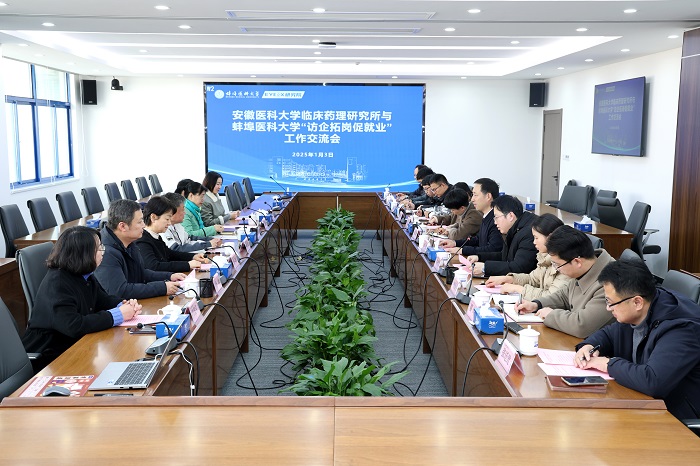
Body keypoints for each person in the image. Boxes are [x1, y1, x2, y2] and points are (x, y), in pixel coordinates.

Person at [574, 260, 700, 423]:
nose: (608, 308)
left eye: (610, 303)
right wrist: (589, 346)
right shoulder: (642, 307)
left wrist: (607, 364)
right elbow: (610, 333)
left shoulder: (682, 329)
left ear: (637, 302)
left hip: (676, 418)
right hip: (644, 403)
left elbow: (653, 381)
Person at [22, 226, 142, 371]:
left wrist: (123, 305)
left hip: (76, 345)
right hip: (50, 356)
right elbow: (74, 325)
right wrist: (118, 315)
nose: (103, 252)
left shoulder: (84, 274)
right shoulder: (58, 283)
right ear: (83, 254)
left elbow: (102, 300)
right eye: (99, 248)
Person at [515, 225, 615, 338]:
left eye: (557, 265)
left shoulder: (610, 283)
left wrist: (551, 315)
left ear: (577, 262)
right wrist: (536, 304)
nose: (557, 269)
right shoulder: (586, 268)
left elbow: (582, 325)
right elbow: (563, 296)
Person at [95, 199, 186, 299]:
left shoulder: (129, 241)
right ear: (123, 226)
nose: (143, 225)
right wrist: (162, 288)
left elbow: (140, 273)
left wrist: (169, 276)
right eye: (139, 222)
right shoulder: (104, 252)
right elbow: (120, 291)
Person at [485, 213, 572, 300]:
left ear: (550, 237)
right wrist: (509, 279)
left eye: (536, 238)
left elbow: (551, 298)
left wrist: (518, 289)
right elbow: (532, 279)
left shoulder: (565, 264)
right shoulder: (544, 258)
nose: (534, 242)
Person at [464, 195, 537, 276]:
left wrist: (485, 268)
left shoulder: (528, 233)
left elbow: (519, 267)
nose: (495, 222)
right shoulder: (515, 228)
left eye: (496, 217)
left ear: (510, 216)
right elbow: (504, 256)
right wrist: (479, 257)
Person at [136, 196, 209, 273]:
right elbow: (154, 266)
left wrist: (193, 256)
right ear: (153, 217)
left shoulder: (156, 236)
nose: (169, 223)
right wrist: (187, 265)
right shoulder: (142, 241)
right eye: (167, 219)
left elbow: (170, 254)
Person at [439, 177, 503, 257]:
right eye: (472, 195)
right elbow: (478, 239)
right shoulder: (486, 216)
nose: (472, 199)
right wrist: (455, 243)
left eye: (475, 195)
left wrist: (463, 250)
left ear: (488, 196)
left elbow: (492, 249)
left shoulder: (496, 219)